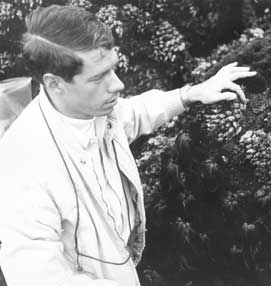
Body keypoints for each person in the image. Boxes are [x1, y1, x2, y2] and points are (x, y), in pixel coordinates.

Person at [0, 5, 256, 286]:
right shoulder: (22, 165)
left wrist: (190, 94)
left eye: (113, 69)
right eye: (99, 77)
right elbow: (36, 278)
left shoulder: (90, 109)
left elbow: (132, 113)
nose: (118, 84)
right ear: (54, 83)